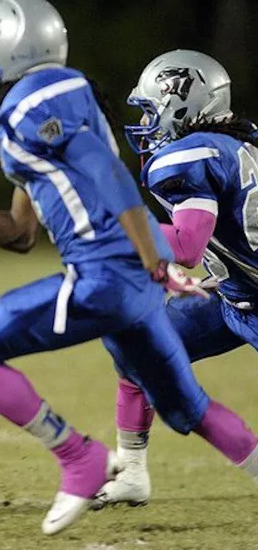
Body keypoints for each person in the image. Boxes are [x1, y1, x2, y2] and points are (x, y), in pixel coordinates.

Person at [0, 0, 258, 535]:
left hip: (102, 277)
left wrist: (154, 258)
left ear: (3, 49)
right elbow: (19, 233)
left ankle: (78, 457)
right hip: (133, 283)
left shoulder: (34, 102)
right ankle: (129, 469)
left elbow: (104, 171)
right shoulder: (60, 94)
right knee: (188, 409)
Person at [93, 50, 258, 508]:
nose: (146, 124)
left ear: (179, 103)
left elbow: (185, 245)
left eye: (150, 110)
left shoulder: (191, 155)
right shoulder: (236, 143)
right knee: (136, 345)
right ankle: (130, 472)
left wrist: (114, 227)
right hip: (236, 296)